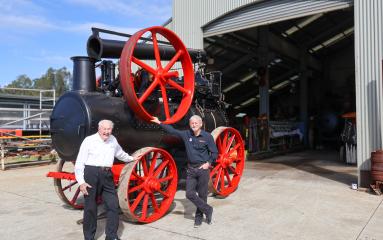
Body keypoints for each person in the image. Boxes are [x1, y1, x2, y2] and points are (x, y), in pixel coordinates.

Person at [75, 119, 140, 240]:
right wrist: (81, 182)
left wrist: (132, 158)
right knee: (90, 207)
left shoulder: (113, 140)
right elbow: (79, 162)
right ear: (99, 129)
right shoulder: (89, 141)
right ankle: (89, 237)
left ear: (111, 129)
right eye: (104, 129)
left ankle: (111, 236)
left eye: (109, 129)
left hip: (107, 175)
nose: (106, 131)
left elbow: (120, 154)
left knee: (113, 205)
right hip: (91, 173)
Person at [151, 115, 218, 228]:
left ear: (201, 124)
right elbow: (172, 130)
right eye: (192, 123)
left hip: (203, 169)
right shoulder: (186, 134)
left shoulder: (207, 137)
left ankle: (198, 218)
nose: (194, 124)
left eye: (196, 123)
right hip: (191, 169)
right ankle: (208, 209)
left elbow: (214, 152)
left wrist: (209, 163)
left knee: (202, 195)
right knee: (189, 194)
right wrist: (159, 122)